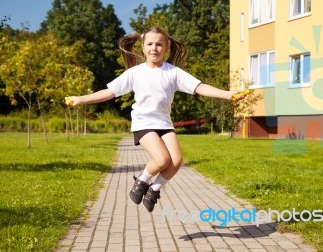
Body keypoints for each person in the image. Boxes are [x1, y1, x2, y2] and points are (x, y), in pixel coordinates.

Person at [66, 26, 244, 212]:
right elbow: (109, 92)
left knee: (176, 161)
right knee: (161, 159)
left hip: (164, 124)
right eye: (149, 44)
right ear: (142, 47)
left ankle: (154, 189)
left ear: (166, 48)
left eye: (159, 44)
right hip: (143, 123)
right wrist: (81, 99)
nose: (154, 48)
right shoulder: (135, 73)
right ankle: (141, 181)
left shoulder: (173, 72)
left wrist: (227, 94)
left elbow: (199, 87)